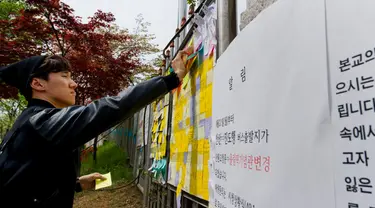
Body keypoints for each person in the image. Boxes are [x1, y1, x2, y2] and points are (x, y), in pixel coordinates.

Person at [0, 48, 191, 207]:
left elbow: (25, 178)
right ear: (37, 83)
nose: (73, 83)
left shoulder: (30, 121)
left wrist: (76, 184)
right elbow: (110, 108)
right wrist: (171, 79)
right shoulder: (42, 121)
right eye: (64, 76)